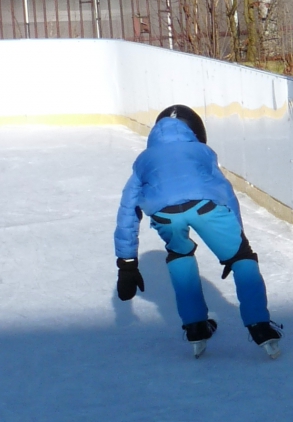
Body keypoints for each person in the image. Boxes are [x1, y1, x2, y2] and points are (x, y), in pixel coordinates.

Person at [114, 104, 283, 358]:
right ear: (195, 130)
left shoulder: (143, 160)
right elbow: (225, 192)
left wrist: (127, 263)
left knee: (179, 255)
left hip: (164, 214)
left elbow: (128, 208)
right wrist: (237, 240)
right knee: (242, 258)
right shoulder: (202, 151)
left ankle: (195, 328)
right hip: (206, 207)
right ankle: (260, 326)